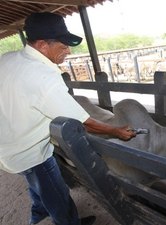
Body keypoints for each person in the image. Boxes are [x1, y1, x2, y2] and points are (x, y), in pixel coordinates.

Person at [0, 12, 136, 225]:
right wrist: (116, 131)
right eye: (63, 46)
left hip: (7, 148)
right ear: (43, 45)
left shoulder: (7, 59)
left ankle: (38, 215)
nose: (68, 51)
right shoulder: (44, 77)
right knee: (57, 192)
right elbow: (83, 121)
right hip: (30, 152)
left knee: (35, 183)